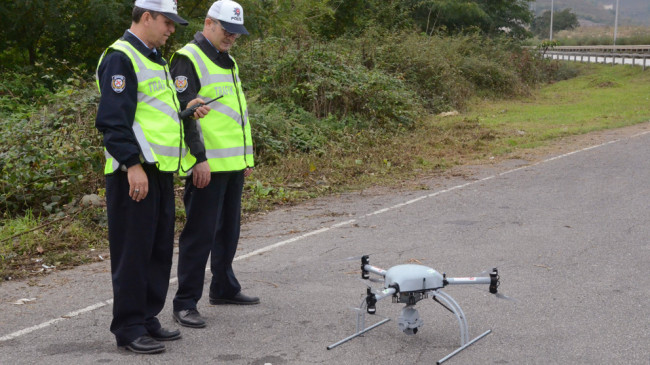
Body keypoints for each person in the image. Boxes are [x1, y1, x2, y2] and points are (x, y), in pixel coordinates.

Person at [95, 0, 209, 354]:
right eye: (167, 22)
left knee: (157, 250)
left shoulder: (155, 58)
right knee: (133, 251)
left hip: (159, 171)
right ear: (146, 17)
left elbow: (152, 113)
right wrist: (132, 165)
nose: (171, 29)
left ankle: (147, 317)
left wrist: (185, 110)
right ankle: (129, 328)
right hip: (135, 172)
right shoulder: (121, 56)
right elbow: (114, 121)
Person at [170, 0, 258, 329]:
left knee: (228, 231)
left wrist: (246, 158)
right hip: (206, 165)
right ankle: (185, 303)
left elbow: (235, 115)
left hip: (232, 164)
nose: (231, 37)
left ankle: (223, 286)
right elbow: (186, 112)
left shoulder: (228, 61)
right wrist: (198, 159)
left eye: (236, 33)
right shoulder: (187, 58)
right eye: (226, 30)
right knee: (199, 235)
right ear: (209, 23)